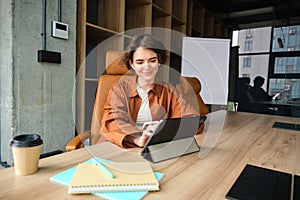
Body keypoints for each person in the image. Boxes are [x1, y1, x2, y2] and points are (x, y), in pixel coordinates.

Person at [100, 34, 200, 148]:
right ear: (132, 64)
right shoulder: (119, 88)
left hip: (156, 146)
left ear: (159, 61)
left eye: (152, 60)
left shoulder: (169, 90)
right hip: (123, 147)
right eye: (140, 62)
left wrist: (161, 128)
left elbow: (191, 118)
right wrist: (137, 139)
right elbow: (111, 121)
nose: (147, 67)